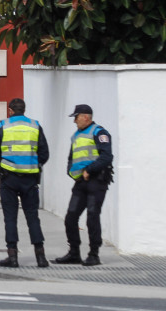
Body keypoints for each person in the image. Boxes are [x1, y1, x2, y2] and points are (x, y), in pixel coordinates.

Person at [0, 97, 50, 268]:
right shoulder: (35, 126)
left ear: (10, 110)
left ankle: (12, 256)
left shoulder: (2, 126)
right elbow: (44, 153)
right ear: (24, 110)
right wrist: (34, 165)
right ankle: (40, 256)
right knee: (32, 217)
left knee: (10, 218)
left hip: (9, 178)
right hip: (30, 178)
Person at [54, 104, 114, 267]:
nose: (74, 121)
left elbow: (106, 157)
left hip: (97, 182)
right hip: (81, 183)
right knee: (70, 218)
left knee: (92, 218)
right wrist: (70, 171)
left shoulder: (99, 132)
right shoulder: (76, 135)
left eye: (76, 117)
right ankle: (74, 253)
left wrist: (89, 170)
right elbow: (71, 158)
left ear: (86, 117)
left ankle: (94, 254)